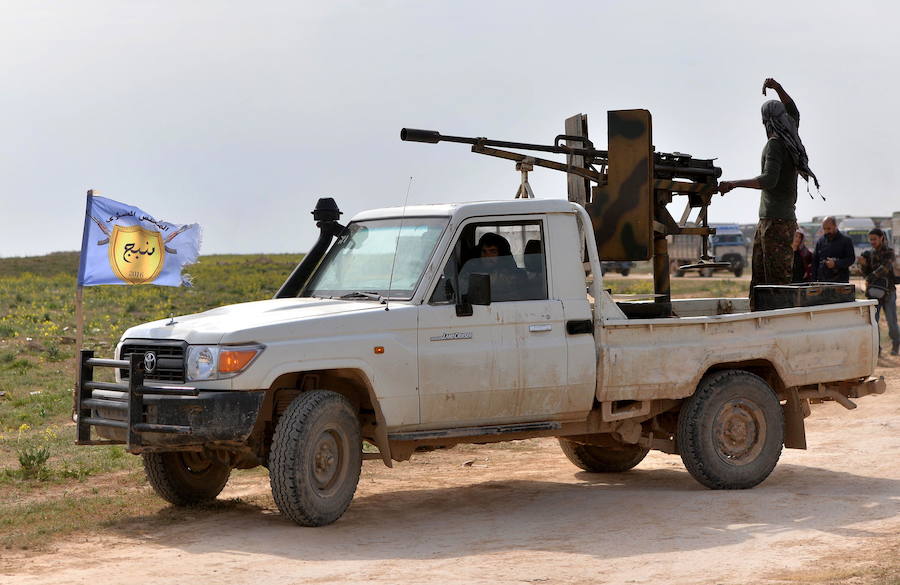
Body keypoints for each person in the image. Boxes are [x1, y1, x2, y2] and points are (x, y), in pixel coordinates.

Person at [717, 78, 820, 307]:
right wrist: (777, 87)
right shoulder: (791, 137)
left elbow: (768, 180)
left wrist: (733, 184)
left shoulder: (776, 144)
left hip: (775, 222)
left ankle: (772, 325)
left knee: (771, 283)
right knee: (764, 279)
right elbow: (794, 111)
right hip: (774, 220)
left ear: (767, 121)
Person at [859, 228, 899, 356]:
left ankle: (896, 345)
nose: (872, 242)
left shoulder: (889, 252)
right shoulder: (868, 254)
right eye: (870, 239)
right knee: (874, 322)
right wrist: (863, 265)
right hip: (874, 294)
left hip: (889, 292)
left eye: (874, 239)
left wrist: (870, 277)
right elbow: (865, 273)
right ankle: (877, 348)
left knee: (892, 322)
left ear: (881, 237)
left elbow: (884, 269)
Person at [812, 217, 855, 282]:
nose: (826, 231)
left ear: (835, 226)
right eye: (824, 229)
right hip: (822, 281)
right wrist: (814, 280)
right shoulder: (820, 241)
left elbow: (851, 259)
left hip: (840, 281)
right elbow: (815, 261)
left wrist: (836, 263)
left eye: (829, 228)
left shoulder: (846, 241)